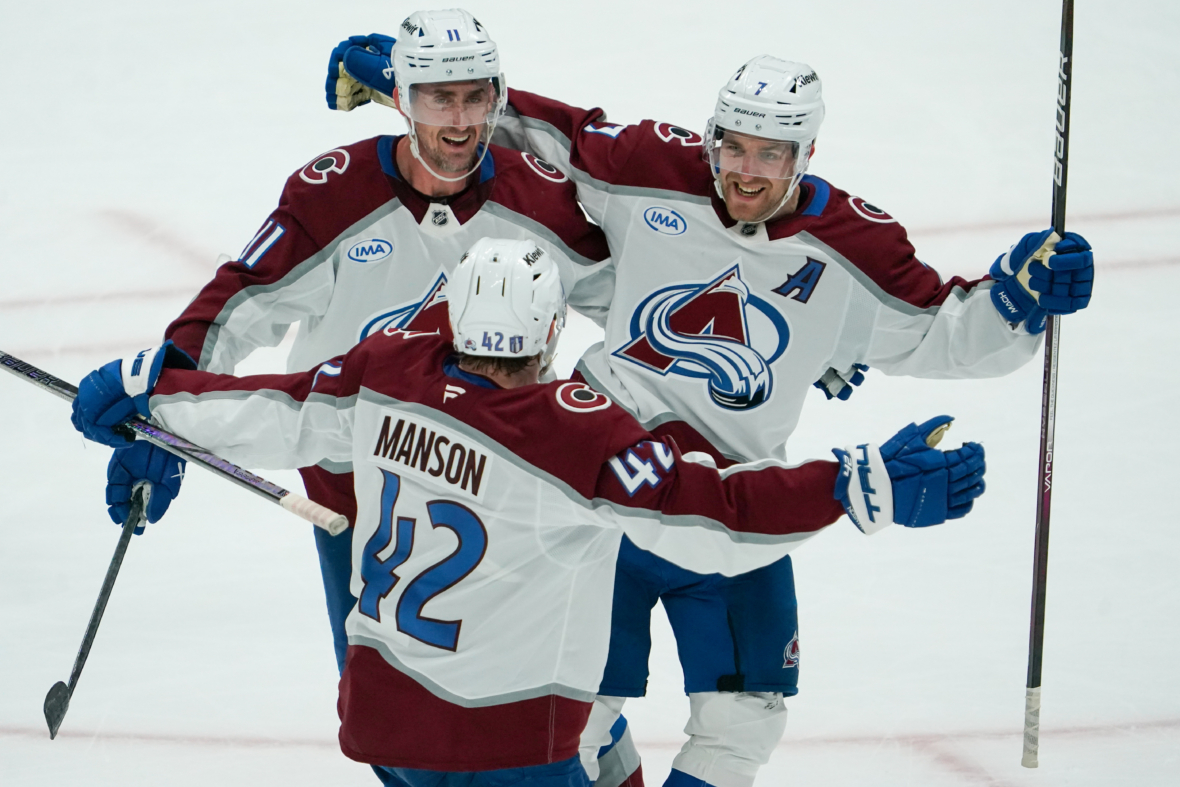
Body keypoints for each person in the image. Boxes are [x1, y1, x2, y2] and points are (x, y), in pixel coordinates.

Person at [330, 43, 1095, 787]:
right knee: (574, 715)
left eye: (771, 154)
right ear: (711, 137)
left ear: (807, 154)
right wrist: (418, 79)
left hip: (734, 506)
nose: (745, 170)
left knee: (742, 724)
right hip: (604, 493)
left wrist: (1019, 299)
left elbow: (944, 331)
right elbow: (545, 129)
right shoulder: (650, 167)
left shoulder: (853, 245)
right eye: (732, 147)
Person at [70, 236, 988, 787]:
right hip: (507, 744)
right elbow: (717, 515)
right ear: (552, 332)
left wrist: (152, 395)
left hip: (385, 725)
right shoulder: (572, 433)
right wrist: (857, 483)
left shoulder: (383, 374)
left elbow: (273, 408)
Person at [95, 11, 615, 786]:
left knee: (544, 709)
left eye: (476, 98)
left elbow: (641, 302)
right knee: (394, 727)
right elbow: (236, 304)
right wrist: (165, 411)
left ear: (500, 98)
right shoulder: (334, 194)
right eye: (437, 99)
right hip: (356, 490)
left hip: (508, 488)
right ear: (399, 97)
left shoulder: (541, 201)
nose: (461, 122)